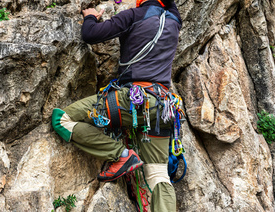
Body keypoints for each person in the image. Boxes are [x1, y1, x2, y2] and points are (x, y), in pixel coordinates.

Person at [52, 0, 182, 211]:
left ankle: (122, 155)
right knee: (158, 173)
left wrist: (91, 16)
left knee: (62, 119)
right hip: (163, 105)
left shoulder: (134, 15)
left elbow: (90, 34)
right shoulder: (175, 20)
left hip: (131, 100)